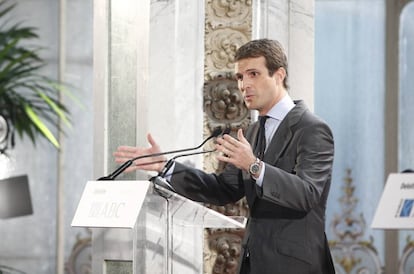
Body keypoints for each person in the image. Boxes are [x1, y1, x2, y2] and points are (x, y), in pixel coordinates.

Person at [114, 38, 336, 274]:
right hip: (254, 263)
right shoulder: (252, 131)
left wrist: (254, 166)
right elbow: (223, 189)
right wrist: (165, 166)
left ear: (279, 75)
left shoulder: (311, 129)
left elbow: (308, 193)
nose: (244, 85)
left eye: (253, 74)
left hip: (296, 265)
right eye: (240, 77)